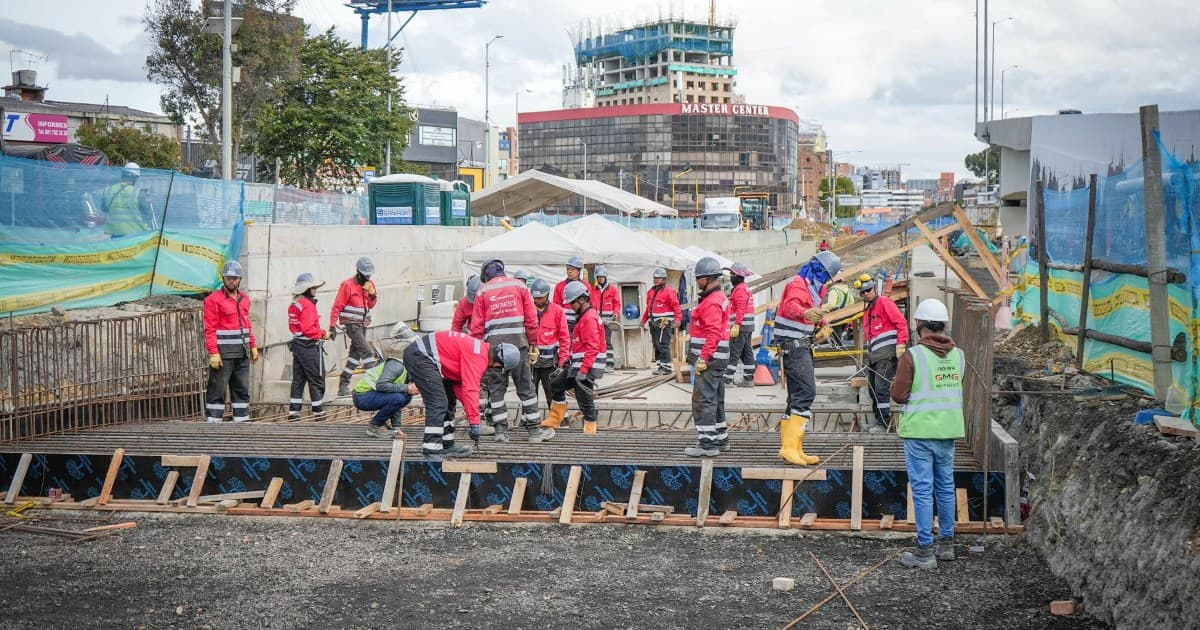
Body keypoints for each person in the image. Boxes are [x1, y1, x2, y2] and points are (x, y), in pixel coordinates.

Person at [891, 298, 965, 569]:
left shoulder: (913, 356)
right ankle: (947, 544)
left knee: (923, 490)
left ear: (919, 325)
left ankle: (925, 552)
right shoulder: (959, 355)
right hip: (948, 431)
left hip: (920, 432)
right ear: (944, 326)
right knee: (945, 486)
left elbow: (899, 395)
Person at [470, 259, 554, 444]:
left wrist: (477, 353)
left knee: (496, 390)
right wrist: (534, 343)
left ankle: (501, 432)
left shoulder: (482, 291)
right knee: (526, 387)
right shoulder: (519, 286)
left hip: (493, 349)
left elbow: (476, 328)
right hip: (519, 345)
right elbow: (531, 319)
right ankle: (534, 432)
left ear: (486, 275)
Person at [403, 331, 521, 459]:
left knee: (448, 401)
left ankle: (447, 444)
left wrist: (472, 416)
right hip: (420, 356)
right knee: (438, 404)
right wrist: (475, 423)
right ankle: (431, 450)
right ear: (499, 364)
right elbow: (471, 389)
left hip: (425, 356)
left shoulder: (480, 350)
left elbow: (462, 388)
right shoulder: (478, 358)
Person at [774, 250, 841, 465]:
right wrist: (804, 314)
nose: (825, 282)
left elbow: (814, 310)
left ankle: (792, 448)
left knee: (795, 397)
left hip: (800, 345)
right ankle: (791, 447)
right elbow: (790, 306)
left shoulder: (813, 289)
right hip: (794, 347)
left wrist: (823, 324)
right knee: (806, 392)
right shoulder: (797, 284)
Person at [544, 280, 605, 434]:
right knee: (556, 385)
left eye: (573, 303)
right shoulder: (584, 316)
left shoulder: (589, 318)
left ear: (582, 299)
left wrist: (584, 369)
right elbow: (580, 344)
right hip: (578, 364)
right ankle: (556, 418)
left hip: (586, 365)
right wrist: (568, 360)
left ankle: (590, 426)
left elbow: (593, 346)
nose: (571, 306)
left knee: (584, 395)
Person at [685, 257, 730, 457]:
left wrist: (703, 357)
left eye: (698, 278)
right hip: (718, 358)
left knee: (703, 400)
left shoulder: (711, 302)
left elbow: (713, 333)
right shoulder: (718, 297)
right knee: (716, 398)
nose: (697, 281)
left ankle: (707, 444)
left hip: (710, 359)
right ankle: (721, 439)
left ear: (706, 278)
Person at [203, 260, 258, 422]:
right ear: (223, 278)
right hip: (224, 355)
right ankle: (214, 421)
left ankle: (241, 421)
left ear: (240, 279)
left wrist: (253, 346)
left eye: (234, 278)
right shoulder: (213, 300)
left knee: (241, 389)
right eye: (228, 278)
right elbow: (210, 329)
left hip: (242, 353)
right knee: (217, 390)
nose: (231, 281)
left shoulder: (245, 299)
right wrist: (213, 352)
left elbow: (247, 324)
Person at [858, 274, 909, 433]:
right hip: (875, 356)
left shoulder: (884, 302)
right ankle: (878, 419)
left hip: (886, 355)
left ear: (874, 288)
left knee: (881, 388)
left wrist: (901, 343)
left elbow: (901, 322)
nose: (866, 293)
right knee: (873, 388)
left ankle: (883, 423)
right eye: (863, 292)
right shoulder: (869, 309)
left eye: (868, 290)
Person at [353, 325, 419, 438]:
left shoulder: (406, 364)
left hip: (370, 395)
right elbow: (382, 385)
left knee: (404, 396)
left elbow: (397, 397)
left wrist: (396, 428)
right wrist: (407, 388)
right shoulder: (397, 364)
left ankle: (383, 424)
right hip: (362, 397)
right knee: (399, 397)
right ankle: (374, 427)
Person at [331, 257, 380, 398]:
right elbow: (337, 306)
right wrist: (332, 325)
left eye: (369, 275)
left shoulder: (369, 285)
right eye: (365, 274)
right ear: (358, 272)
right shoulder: (347, 285)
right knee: (367, 353)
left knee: (354, 356)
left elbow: (370, 305)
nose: (367, 277)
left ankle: (343, 386)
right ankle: (375, 386)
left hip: (363, 324)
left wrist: (372, 294)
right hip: (351, 325)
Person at [288, 272, 332, 419]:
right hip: (308, 346)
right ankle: (318, 411)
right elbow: (308, 329)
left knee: (298, 380)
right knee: (316, 378)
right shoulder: (307, 305)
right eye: (313, 288)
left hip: (297, 346)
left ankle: (294, 412)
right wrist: (323, 333)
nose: (315, 290)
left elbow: (296, 327)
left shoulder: (295, 303)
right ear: (307, 289)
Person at [529, 278, 571, 414]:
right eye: (535, 298)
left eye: (540, 298)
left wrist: (563, 359)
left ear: (547, 295)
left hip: (550, 363)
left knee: (553, 392)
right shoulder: (527, 311)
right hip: (531, 363)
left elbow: (565, 337)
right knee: (529, 393)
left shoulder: (557, 311)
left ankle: (558, 418)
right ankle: (529, 420)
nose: (537, 301)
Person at [641, 267, 682, 375]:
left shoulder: (669, 291)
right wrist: (643, 320)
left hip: (664, 322)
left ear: (664, 279)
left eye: (658, 278)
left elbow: (676, 306)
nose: (656, 280)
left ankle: (667, 367)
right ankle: (660, 366)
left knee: (663, 344)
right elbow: (648, 308)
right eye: (655, 278)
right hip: (653, 322)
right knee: (656, 344)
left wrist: (678, 320)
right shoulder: (651, 291)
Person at [101, 162, 155, 238]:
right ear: (135, 178)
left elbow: (104, 208)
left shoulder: (108, 190)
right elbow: (149, 215)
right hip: (136, 235)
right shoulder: (139, 193)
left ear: (122, 174)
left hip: (115, 234)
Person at [724, 262, 756, 387]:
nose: (730, 276)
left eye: (732, 274)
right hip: (747, 326)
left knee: (734, 351)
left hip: (741, 326)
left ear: (737, 275)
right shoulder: (744, 288)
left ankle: (727, 379)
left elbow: (741, 308)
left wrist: (736, 325)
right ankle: (748, 378)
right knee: (746, 352)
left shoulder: (740, 289)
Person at [591, 265, 620, 371]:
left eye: (602, 277)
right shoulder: (593, 290)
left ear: (606, 277)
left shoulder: (612, 289)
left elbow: (617, 303)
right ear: (596, 278)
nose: (601, 279)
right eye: (599, 277)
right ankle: (599, 364)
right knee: (596, 342)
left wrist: (616, 313)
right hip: (596, 320)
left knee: (607, 341)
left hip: (608, 321)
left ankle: (609, 364)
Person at [553, 256, 586, 333]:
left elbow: (591, 304)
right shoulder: (560, 286)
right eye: (568, 269)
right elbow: (556, 307)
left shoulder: (586, 286)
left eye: (572, 269)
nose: (569, 272)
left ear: (579, 271)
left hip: (582, 322)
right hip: (566, 324)